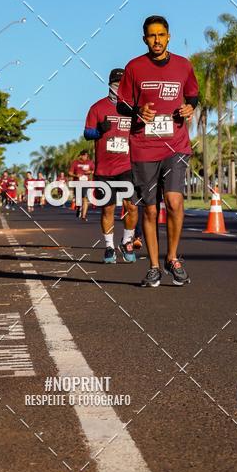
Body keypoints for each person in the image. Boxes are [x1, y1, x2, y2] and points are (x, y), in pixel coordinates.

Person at [117, 15, 198, 287]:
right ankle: (153, 266)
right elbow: (122, 105)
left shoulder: (183, 66)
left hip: (175, 145)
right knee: (150, 211)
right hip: (143, 147)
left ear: (169, 36)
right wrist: (138, 110)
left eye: (161, 35)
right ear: (144, 39)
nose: (157, 40)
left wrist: (190, 108)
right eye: (152, 36)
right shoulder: (134, 68)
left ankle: (172, 257)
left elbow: (193, 95)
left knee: (175, 202)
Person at [84, 68, 139, 264]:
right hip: (104, 169)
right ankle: (109, 247)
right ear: (109, 85)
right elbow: (87, 133)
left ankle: (127, 242)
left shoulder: (133, 108)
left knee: (131, 206)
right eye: (116, 84)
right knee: (108, 209)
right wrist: (98, 130)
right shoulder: (97, 108)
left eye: (122, 85)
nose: (118, 88)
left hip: (127, 166)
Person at [69, 151, 95, 220]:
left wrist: (90, 172)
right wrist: (76, 175)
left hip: (86, 182)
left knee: (84, 198)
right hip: (77, 182)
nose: (86, 157)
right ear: (81, 156)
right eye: (84, 156)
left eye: (87, 156)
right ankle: (78, 208)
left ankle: (83, 216)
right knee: (78, 199)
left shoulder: (90, 162)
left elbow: (94, 170)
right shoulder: (75, 163)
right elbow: (70, 172)